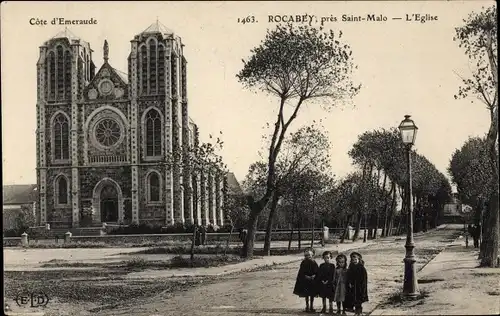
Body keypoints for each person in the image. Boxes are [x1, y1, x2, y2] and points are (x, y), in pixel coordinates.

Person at [293, 248, 319, 313]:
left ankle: (311, 306)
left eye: (309, 255)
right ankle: (307, 306)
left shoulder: (314, 262)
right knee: (306, 294)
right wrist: (305, 276)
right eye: (306, 255)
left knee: (312, 294)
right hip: (306, 281)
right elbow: (301, 272)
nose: (308, 257)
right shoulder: (303, 262)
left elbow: (317, 271)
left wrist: (314, 276)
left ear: (312, 255)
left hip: (312, 281)